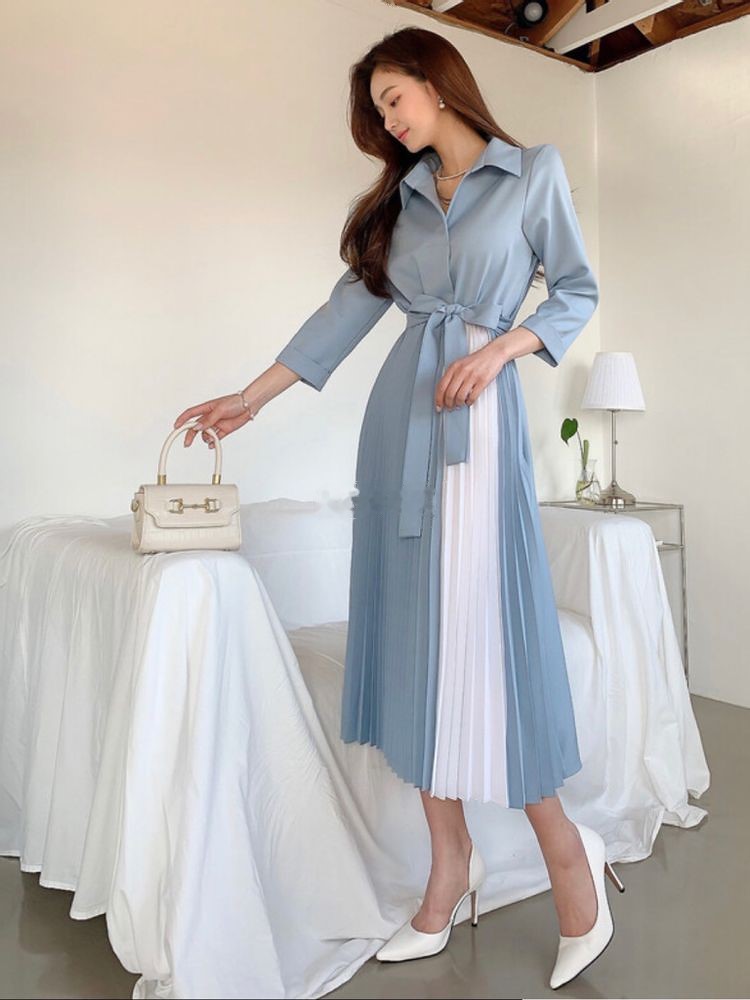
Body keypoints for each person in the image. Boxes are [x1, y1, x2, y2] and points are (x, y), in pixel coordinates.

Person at [173, 26, 625, 990]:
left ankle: (569, 860)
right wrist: (248, 399)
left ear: (438, 82)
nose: (387, 121)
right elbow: (343, 314)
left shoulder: (532, 174)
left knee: (490, 641)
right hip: (402, 426)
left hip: (482, 422)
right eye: (378, 110)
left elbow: (576, 290)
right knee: (420, 641)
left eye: (393, 99)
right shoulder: (401, 205)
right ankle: (448, 869)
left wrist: (501, 348)